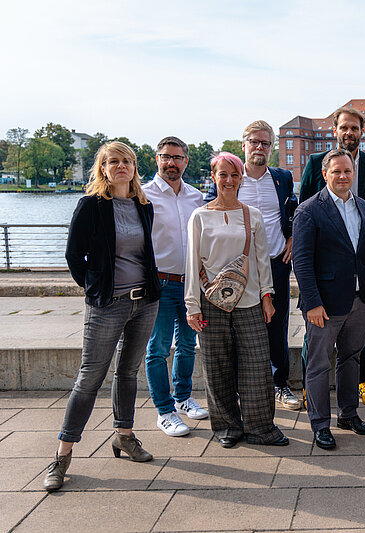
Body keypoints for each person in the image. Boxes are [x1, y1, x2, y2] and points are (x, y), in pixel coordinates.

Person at [45, 141, 161, 491]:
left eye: (127, 161)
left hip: (145, 302)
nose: (121, 166)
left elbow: (144, 253)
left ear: (134, 167)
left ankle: (124, 435)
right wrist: (96, 289)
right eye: (113, 161)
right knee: (89, 379)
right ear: (103, 168)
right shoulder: (91, 205)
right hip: (107, 304)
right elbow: (73, 255)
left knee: (128, 372)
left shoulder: (143, 205)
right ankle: (62, 455)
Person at [185, 152, 288, 449]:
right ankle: (227, 426)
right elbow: (192, 262)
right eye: (223, 174)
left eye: (234, 175)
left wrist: (267, 296)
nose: (229, 180)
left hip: (250, 299)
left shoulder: (252, 215)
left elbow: (261, 260)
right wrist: (191, 306)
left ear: (241, 178)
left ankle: (260, 427)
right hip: (210, 300)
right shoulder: (199, 216)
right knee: (216, 365)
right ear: (213, 177)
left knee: (257, 363)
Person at [205, 121, 300, 411]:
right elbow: (208, 211)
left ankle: (279, 383)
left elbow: (292, 210)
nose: (260, 147)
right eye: (254, 142)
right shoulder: (232, 175)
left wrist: (292, 237)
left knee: (277, 324)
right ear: (243, 145)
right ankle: (237, 388)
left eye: (265, 143)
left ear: (271, 147)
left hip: (275, 262)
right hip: (238, 268)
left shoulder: (283, 177)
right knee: (236, 327)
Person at [299, 106, 365, 406]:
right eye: (344, 127)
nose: (349, 132)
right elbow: (305, 209)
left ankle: (358, 392)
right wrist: (311, 298)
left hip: (360, 278)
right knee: (316, 347)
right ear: (335, 130)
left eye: (355, 128)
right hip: (326, 274)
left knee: (354, 347)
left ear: (362, 132)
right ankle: (313, 395)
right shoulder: (316, 164)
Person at [293, 149, 365, 450]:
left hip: (360, 299)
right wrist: (312, 303)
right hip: (325, 304)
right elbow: (302, 262)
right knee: (318, 364)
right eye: (337, 171)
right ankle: (320, 424)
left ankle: (348, 414)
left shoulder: (364, 206)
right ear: (325, 174)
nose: (343, 176)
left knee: (351, 358)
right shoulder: (308, 210)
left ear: (353, 174)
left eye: (347, 171)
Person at [143, 136, 207, 437]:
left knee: (187, 344)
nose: (172, 163)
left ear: (186, 161)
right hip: (160, 282)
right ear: (157, 159)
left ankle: (183, 398)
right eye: (166, 157)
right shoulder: (144, 196)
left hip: (190, 283)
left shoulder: (196, 197)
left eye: (177, 158)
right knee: (157, 348)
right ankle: (164, 411)